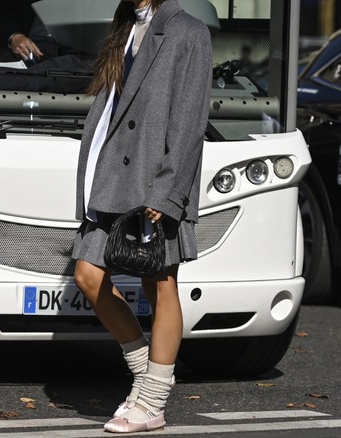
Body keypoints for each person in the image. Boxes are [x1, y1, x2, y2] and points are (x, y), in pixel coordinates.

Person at [72, 0, 212, 433]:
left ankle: (152, 402)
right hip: (112, 176)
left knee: (161, 282)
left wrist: (169, 192)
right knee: (87, 275)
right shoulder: (126, 24)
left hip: (154, 178)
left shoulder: (189, 31)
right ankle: (144, 378)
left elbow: (191, 119)